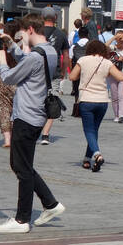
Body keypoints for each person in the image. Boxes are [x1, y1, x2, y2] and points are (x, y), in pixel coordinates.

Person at [0, 15, 65, 234]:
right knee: (23, 165)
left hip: (26, 116)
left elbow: (10, 77)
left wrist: (1, 57)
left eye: (21, 34)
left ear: (30, 30)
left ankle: (22, 220)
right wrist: (10, 45)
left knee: (21, 168)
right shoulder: (49, 51)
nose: (20, 38)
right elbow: (26, 60)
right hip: (37, 115)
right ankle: (51, 204)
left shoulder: (35, 57)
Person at [69, 38, 123, 172]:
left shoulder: (83, 60)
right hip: (102, 101)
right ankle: (87, 159)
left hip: (86, 99)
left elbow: (72, 77)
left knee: (88, 130)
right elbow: (121, 77)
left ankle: (97, 155)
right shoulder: (106, 62)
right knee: (94, 130)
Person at [37, 8, 70, 147]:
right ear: (55, 17)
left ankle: (35, 130)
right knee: (53, 101)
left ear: (42, 17)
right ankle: (45, 134)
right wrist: (64, 72)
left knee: (38, 102)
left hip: (38, 72)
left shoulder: (37, 32)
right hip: (54, 72)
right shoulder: (61, 34)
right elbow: (66, 56)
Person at [0, 19, 19, 149]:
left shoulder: (0, 43)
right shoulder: (21, 44)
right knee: (20, 109)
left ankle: (7, 139)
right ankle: (19, 136)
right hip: (18, 80)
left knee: (4, 109)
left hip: (2, 79)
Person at [108, 30, 123, 123]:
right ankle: (116, 115)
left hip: (122, 74)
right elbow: (104, 46)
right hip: (112, 74)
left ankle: (121, 115)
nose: (122, 40)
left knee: (121, 95)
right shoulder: (112, 48)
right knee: (114, 95)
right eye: (120, 38)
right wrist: (113, 38)